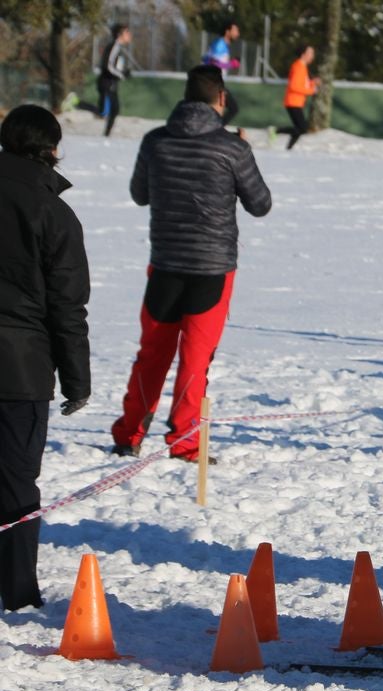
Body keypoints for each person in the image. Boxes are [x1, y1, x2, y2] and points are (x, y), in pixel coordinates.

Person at [111, 66, 271, 463]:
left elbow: (139, 194)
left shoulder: (155, 141)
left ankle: (129, 433)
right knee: (196, 358)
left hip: (165, 263)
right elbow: (261, 204)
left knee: (152, 352)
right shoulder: (232, 148)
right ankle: (183, 439)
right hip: (213, 268)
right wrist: (239, 153)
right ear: (221, 99)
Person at [0, 105, 91, 612]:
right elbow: (68, 305)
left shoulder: (52, 210)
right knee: (15, 481)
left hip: (22, 363)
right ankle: (16, 591)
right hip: (21, 369)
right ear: (53, 149)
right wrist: (77, 380)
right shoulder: (53, 212)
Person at [276, 45, 320, 150]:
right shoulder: (298, 67)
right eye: (310, 53)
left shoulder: (303, 67)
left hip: (297, 102)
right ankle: (276, 131)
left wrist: (313, 83)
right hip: (293, 101)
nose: (312, 56)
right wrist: (311, 91)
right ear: (303, 54)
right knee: (302, 128)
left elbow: (303, 84)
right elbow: (294, 86)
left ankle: (289, 148)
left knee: (300, 128)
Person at [94, 24, 132, 138]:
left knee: (115, 110)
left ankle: (106, 136)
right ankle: (76, 103)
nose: (129, 35)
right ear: (120, 34)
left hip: (112, 83)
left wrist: (123, 72)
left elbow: (114, 66)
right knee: (104, 112)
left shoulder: (118, 47)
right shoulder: (114, 46)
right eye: (127, 32)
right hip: (106, 83)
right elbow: (108, 66)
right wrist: (121, 75)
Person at [203, 21, 241, 126]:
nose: (237, 33)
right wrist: (231, 64)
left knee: (227, 110)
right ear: (227, 31)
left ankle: (214, 130)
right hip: (212, 83)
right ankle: (215, 131)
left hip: (215, 83)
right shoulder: (220, 44)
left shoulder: (222, 44)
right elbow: (212, 63)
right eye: (235, 30)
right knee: (232, 108)